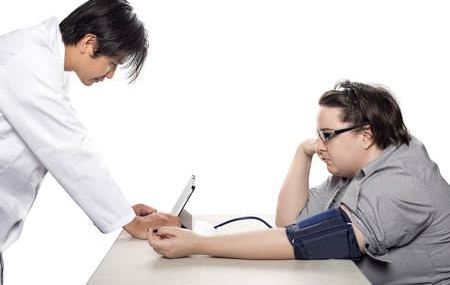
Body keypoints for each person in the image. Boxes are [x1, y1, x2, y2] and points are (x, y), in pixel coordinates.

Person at [148, 80, 450, 285]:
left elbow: (307, 240)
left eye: (327, 134)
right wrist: (303, 151)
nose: (321, 144)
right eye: (318, 134)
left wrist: (202, 245)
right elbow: (289, 223)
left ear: (366, 134)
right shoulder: (354, 167)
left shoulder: (404, 181)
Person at [0, 0, 181, 284]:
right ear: (88, 43)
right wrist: (130, 222)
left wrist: (122, 211)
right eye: (112, 63)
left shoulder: (47, 64)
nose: (110, 75)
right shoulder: (27, 59)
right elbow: (69, 149)